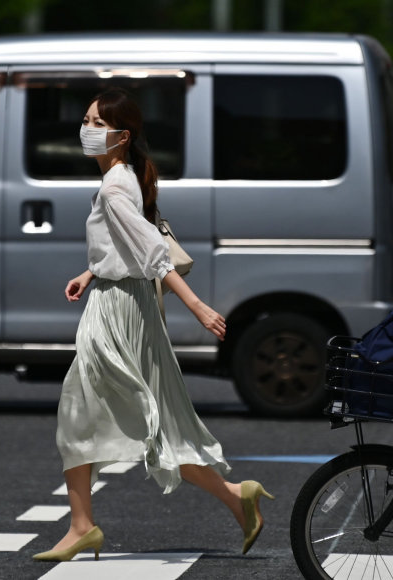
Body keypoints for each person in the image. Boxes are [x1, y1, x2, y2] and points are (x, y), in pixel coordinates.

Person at [33, 89, 273, 562]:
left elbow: (151, 254)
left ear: (121, 137)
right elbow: (128, 245)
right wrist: (91, 271)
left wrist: (199, 307)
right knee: (155, 424)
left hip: (119, 310)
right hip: (123, 300)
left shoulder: (115, 185)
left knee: (80, 412)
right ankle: (233, 495)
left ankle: (82, 525)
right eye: (86, 120)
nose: (86, 130)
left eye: (96, 124)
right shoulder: (123, 178)